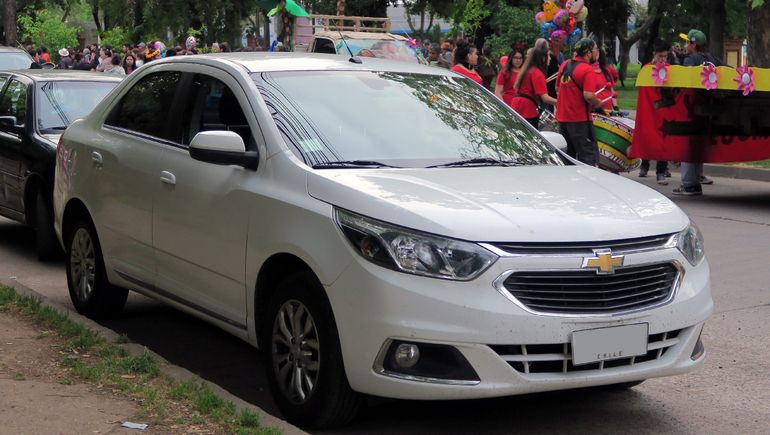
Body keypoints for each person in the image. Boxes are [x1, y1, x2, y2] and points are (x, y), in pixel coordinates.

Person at [673, 29, 721, 196]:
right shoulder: (713, 59)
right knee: (698, 144)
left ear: (693, 44)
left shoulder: (690, 60)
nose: (685, 45)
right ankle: (697, 177)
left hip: (692, 108)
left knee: (689, 145)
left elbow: (684, 83)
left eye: (687, 42)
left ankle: (689, 184)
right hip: (710, 109)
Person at [555, 38, 602, 166]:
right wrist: (598, 103)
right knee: (587, 157)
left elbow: (557, 88)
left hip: (563, 119)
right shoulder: (588, 70)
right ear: (588, 53)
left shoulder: (565, 65)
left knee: (567, 157)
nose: (597, 52)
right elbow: (589, 96)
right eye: (596, 49)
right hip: (580, 120)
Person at [639, 38, 674, 185]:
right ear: (654, 54)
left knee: (663, 139)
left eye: (665, 56)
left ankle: (661, 171)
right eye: (660, 56)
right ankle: (644, 165)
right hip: (650, 109)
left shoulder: (670, 70)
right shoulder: (647, 69)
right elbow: (644, 92)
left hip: (663, 109)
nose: (663, 59)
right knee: (647, 135)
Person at [510, 47, 557, 128]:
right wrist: (561, 102)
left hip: (516, 104)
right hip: (526, 109)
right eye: (548, 56)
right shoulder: (537, 73)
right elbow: (545, 98)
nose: (550, 58)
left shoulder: (528, 70)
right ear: (543, 58)